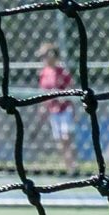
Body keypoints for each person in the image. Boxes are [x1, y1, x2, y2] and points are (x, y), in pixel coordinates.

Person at [34, 42, 76, 173]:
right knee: (60, 140)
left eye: (45, 56)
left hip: (65, 109)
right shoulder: (44, 73)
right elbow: (43, 91)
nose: (44, 60)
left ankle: (73, 165)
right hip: (53, 111)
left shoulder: (62, 71)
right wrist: (43, 107)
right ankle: (68, 165)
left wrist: (65, 96)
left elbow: (71, 88)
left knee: (66, 137)